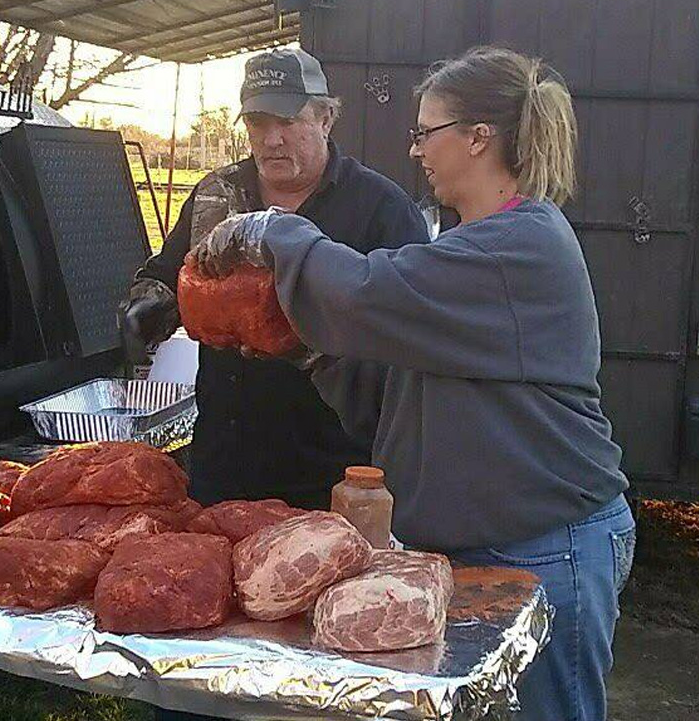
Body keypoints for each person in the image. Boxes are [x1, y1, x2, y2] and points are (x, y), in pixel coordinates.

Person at [189, 46, 635, 721]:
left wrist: (275, 229)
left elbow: (369, 293)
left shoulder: (522, 245)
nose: (418, 150)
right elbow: (398, 391)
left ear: (478, 137)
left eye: (427, 132)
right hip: (492, 541)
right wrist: (311, 355)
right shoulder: (470, 242)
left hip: (549, 543)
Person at [120, 48, 429, 510]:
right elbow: (166, 270)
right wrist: (148, 303)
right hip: (220, 468)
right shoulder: (216, 194)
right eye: (258, 124)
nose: (272, 140)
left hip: (330, 476)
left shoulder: (379, 209)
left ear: (326, 118)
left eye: (288, 122)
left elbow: (409, 337)